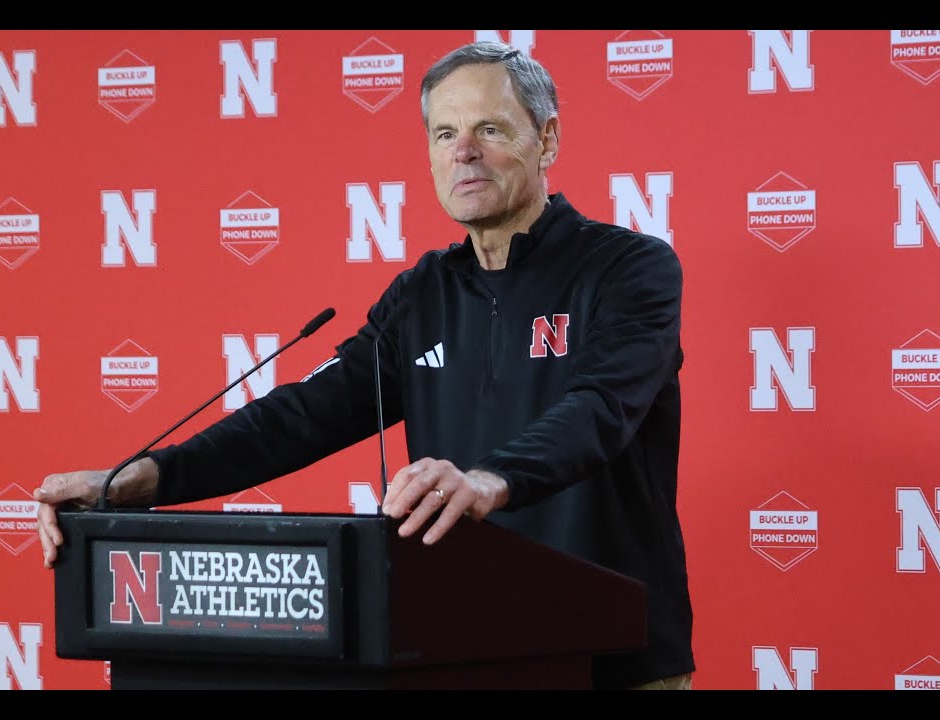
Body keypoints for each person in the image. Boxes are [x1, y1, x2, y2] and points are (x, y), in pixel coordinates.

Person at [34, 40, 693, 691]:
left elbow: (601, 406)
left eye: (489, 129)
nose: (463, 151)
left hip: (615, 659)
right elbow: (301, 417)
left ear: (546, 140)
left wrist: (490, 479)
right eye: (444, 133)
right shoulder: (421, 295)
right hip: (465, 652)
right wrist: (139, 479)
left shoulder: (630, 269)